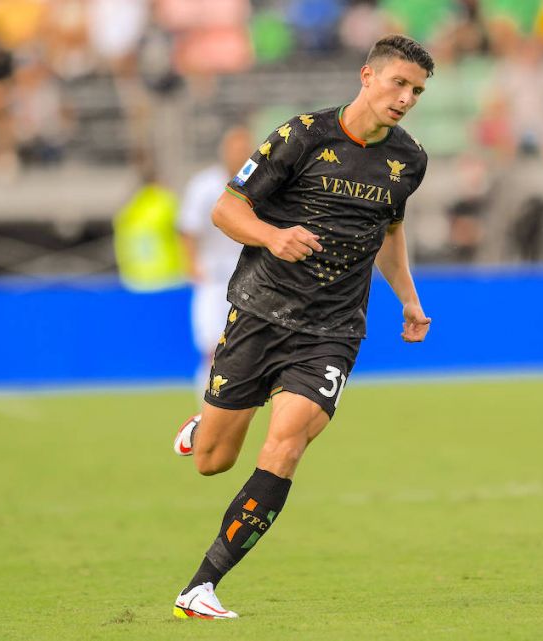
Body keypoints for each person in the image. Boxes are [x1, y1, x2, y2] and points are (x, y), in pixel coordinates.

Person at [170, 34, 434, 619]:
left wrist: (409, 302)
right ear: (368, 76)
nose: (407, 98)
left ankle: (202, 586)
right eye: (399, 83)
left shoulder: (409, 160)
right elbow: (225, 209)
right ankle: (208, 420)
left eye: (417, 90)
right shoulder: (301, 136)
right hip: (262, 312)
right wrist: (273, 235)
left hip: (334, 329)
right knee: (213, 460)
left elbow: (389, 232)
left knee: (287, 443)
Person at [176, 125, 252, 394]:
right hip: (214, 278)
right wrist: (192, 264)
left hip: (250, 279)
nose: (240, 154)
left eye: (245, 149)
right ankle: (208, 406)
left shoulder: (261, 182)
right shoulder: (205, 185)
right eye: (235, 149)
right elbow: (188, 227)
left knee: (243, 350)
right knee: (212, 347)